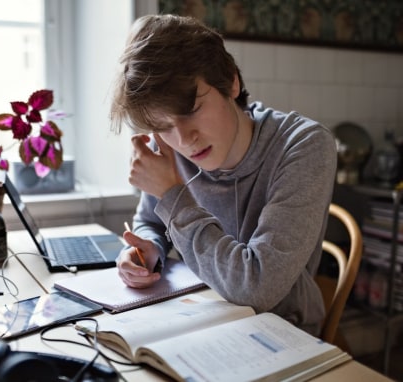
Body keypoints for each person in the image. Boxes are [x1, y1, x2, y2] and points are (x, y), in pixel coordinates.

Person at [110, 14, 337, 336]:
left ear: (231, 82)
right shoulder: (168, 146)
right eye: (162, 126)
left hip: (280, 329)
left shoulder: (304, 144)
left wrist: (172, 196)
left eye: (190, 111)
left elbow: (257, 288)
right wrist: (145, 250)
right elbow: (151, 221)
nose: (184, 139)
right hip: (198, 313)